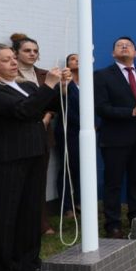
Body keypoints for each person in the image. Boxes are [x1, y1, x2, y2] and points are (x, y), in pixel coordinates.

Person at [0, 43, 67, 271]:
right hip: (4, 160)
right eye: (6, 60)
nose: (14, 63)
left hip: (33, 155)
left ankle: (25, 262)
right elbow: (23, 111)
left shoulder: (25, 85)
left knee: (28, 213)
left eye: (14, 58)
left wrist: (61, 86)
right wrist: (49, 85)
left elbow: (49, 104)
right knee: (1, 219)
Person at [93, 36, 136, 238]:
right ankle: (112, 225)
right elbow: (101, 108)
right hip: (114, 138)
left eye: (128, 45)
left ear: (135, 53)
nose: (124, 47)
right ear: (113, 53)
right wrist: (131, 112)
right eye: (119, 45)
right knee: (113, 183)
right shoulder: (102, 75)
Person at [11, 33, 56, 235]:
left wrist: (47, 117)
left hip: (42, 134)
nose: (32, 54)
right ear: (15, 53)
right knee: (17, 182)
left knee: (39, 181)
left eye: (35, 51)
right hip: (17, 134)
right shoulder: (9, 75)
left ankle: (41, 223)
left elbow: (53, 102)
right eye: (27, 50)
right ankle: (20, 224)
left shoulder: (45, 75)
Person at [55, 53, 81, 217]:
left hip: (88, 131)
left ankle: (79, 201)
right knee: (67, 167)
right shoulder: (64, 83)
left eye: (80, 58)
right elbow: (65, 106)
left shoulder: (91, 82)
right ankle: (66, 206)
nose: (77, 60)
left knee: (82, 167)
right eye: (72, 58)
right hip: (69, 130)